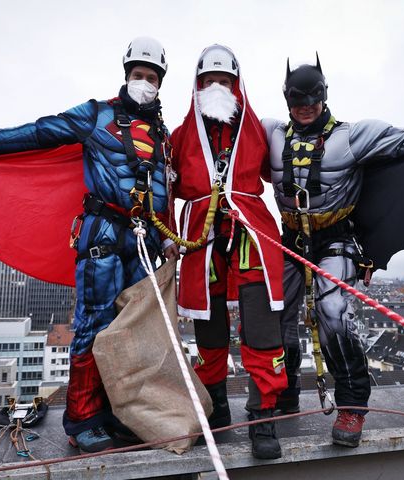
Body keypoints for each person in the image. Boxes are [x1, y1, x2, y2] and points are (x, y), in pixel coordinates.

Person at [0, 37, 179, 453]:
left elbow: (165, 191)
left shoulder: (162, 133)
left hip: (145, 243)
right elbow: (35, 133)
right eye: (138, 75)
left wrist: (169, 236)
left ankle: (122, 412)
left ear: (160, 82)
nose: (145, 82)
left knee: (135, 330)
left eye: (151, 77)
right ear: (126, 76)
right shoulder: (95, 115)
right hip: (103, 233)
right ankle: (83, 418)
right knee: (93, 324)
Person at [262, 55, 404, 447]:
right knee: (274, 311)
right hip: (290, 238)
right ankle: (283, 390)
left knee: (334, 312)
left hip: (334, 236)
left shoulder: (353, 136)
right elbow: (228, 135)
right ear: (286, 100)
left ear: (324, 96)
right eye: (297, 100)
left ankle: (352, 405)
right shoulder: (270, 133)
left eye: (312, 99)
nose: (305, 107)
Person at [169, 44, 287, 459]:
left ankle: (263, 414)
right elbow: (163, 185)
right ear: (198, 86)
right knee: (209, 326)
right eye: (209, 81)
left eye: (224, 81)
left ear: (237, 85)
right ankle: (217, 405)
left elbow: (286, 176)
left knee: (260, 323)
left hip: (249, 233)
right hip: (201, 237)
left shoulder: (259, 128)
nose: (217, 87)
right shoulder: (181, 135)